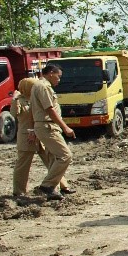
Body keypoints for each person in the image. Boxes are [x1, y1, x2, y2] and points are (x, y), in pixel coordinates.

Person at [11, 77, 72, 197]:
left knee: (52, 160)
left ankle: (61, 186)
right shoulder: (20, 100)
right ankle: (19, 191)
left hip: (40, 134)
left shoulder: (36, 98)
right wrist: (14, 99)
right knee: (23, 165)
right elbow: (14, 114)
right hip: (26, 137)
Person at [30, 64, 75, 201]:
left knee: (53, 158)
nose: (59, 80)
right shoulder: (43, 87)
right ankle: (47, 185)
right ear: (50, 73)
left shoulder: (40, 86)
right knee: (65, 156)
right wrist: (65, 127)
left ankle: (53, 189)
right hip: (47, 126)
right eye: (58, 76)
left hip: (46, 126)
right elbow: (50, 109)